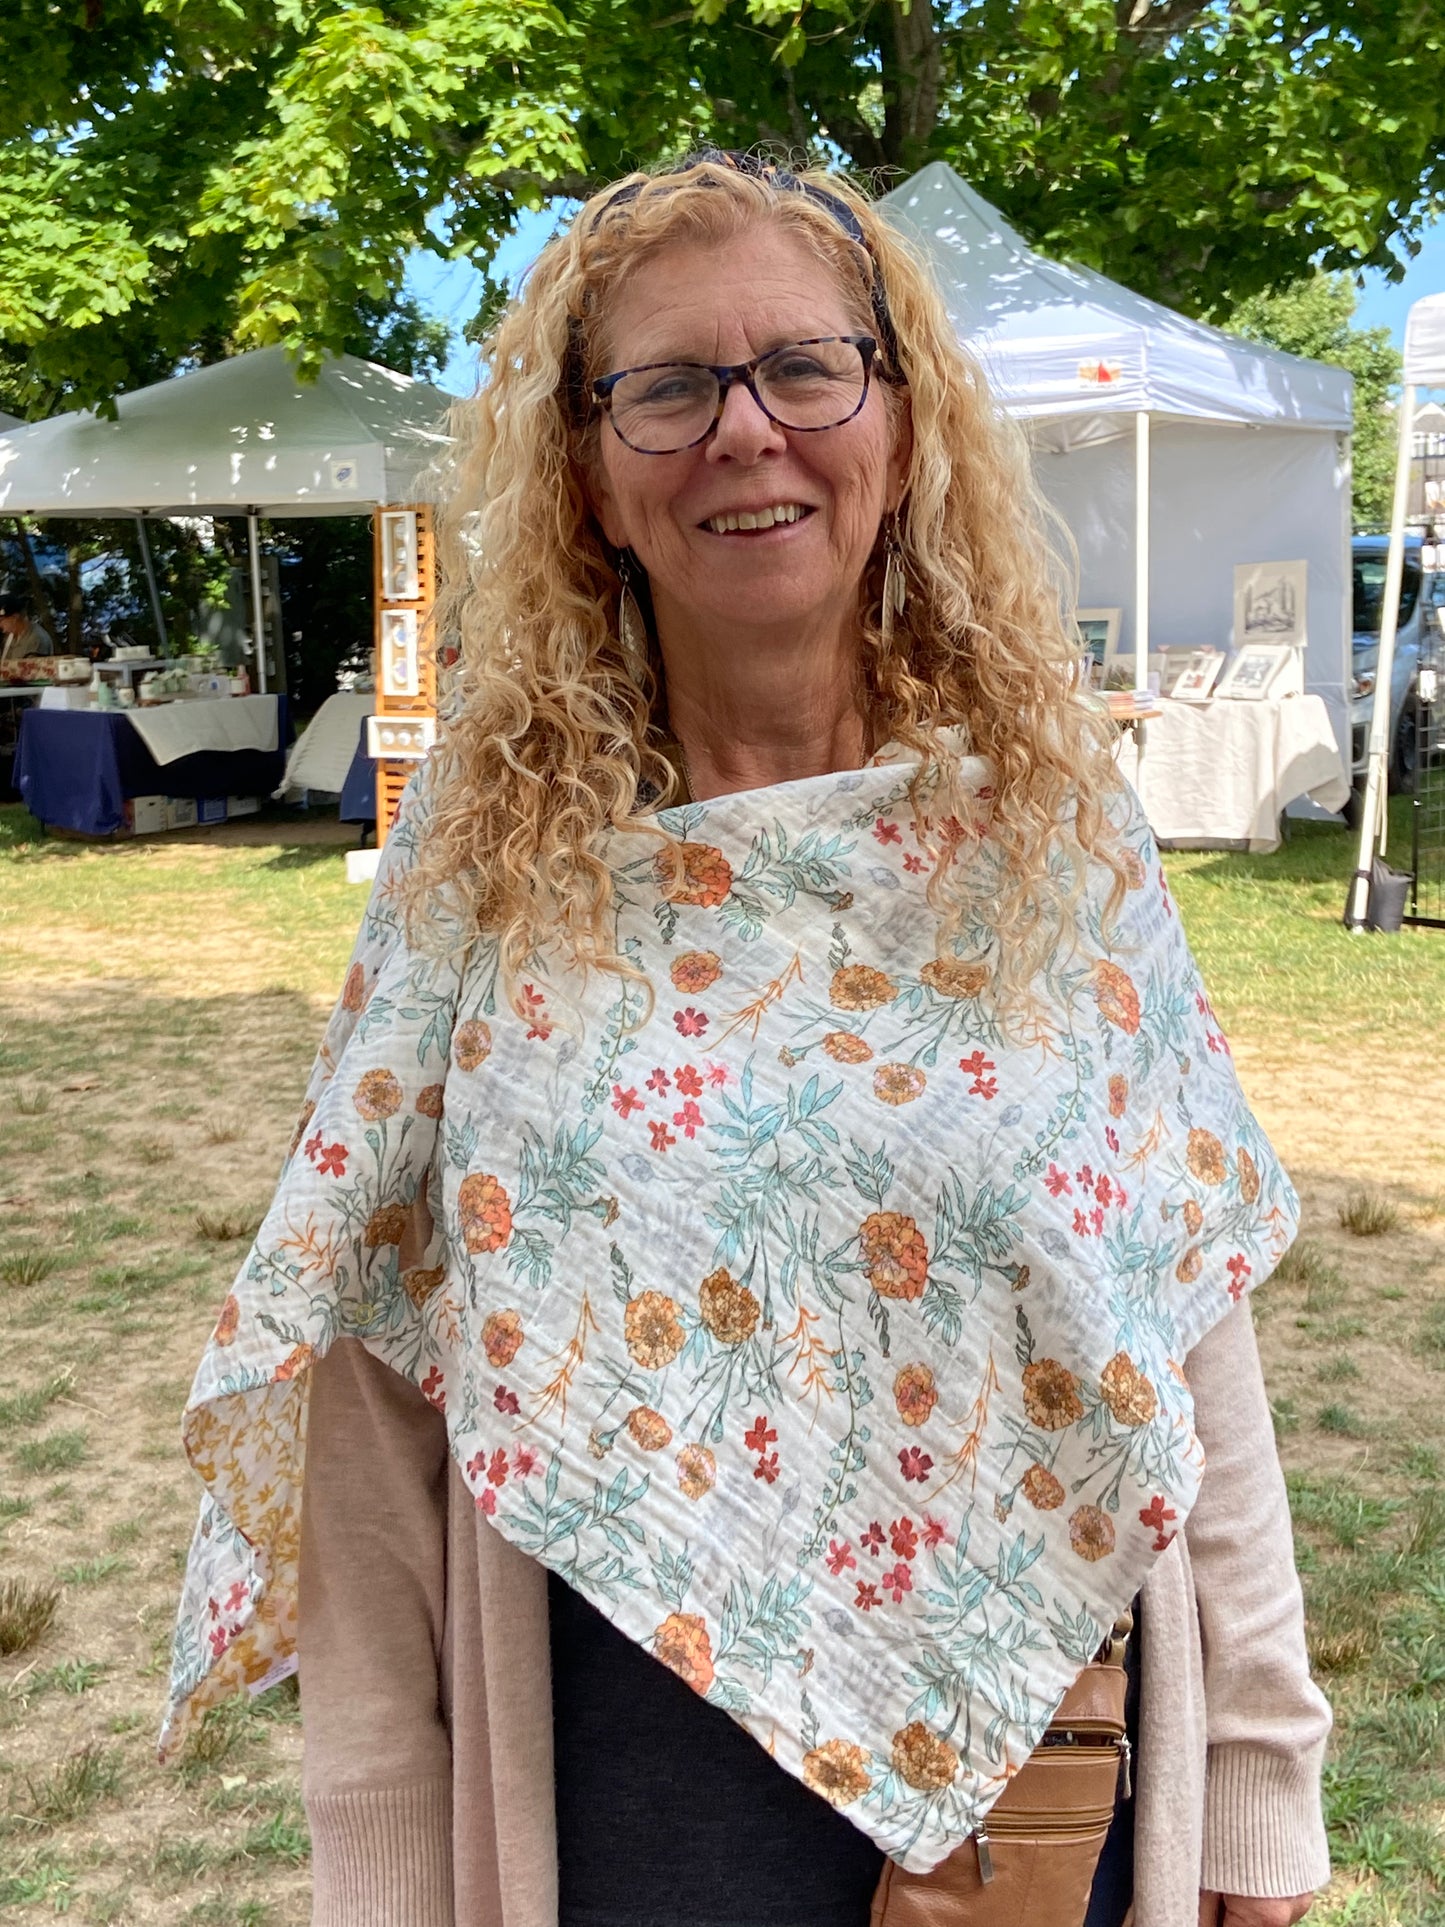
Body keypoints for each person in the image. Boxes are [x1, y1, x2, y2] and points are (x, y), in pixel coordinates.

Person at [166, 155, 1331, 1927]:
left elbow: (1194, 1323)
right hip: (632, 1819)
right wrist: (384, 1874)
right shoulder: (479, 871)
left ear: (901, 418)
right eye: (667, 385)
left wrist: (1257, 1795)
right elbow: (378, 1420)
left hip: (1034, 1797)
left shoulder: (1049, 834)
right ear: (587, 477)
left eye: (805, 366)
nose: (745, 431)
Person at [0, 594, 52, 663]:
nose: (0, 625)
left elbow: (32, 669)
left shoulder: (36, 638)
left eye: (1, 620)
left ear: (14, 617)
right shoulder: (9, 637)